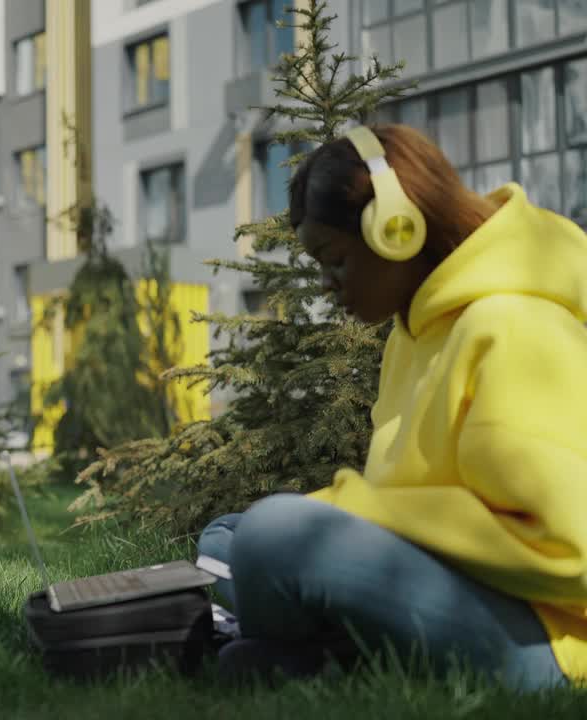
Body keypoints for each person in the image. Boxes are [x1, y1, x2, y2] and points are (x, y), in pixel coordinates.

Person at [197, 124, 587, 691]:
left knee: (270, 537)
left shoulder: (514, 326)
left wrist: (365, 512)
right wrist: (366, 514)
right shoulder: (412, 334)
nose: (327, 285)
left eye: (335, 260)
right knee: (225, 535)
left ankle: (309, 647)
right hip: (462, 584)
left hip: (550, 637)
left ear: (397, 232)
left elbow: (566, 549)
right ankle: (321, 651)